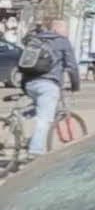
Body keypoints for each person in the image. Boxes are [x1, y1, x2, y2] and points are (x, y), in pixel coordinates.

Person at [12, 18, 81, 159]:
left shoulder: (36, 39)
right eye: (66, 29)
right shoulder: (62, 41)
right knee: (45, 118)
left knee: (42, 107)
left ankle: (21, 117)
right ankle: (36, 151)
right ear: (57, 29)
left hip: (28, 83)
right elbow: (72, 67)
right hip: (48, 85)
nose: (67, 32)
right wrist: (75, 85)